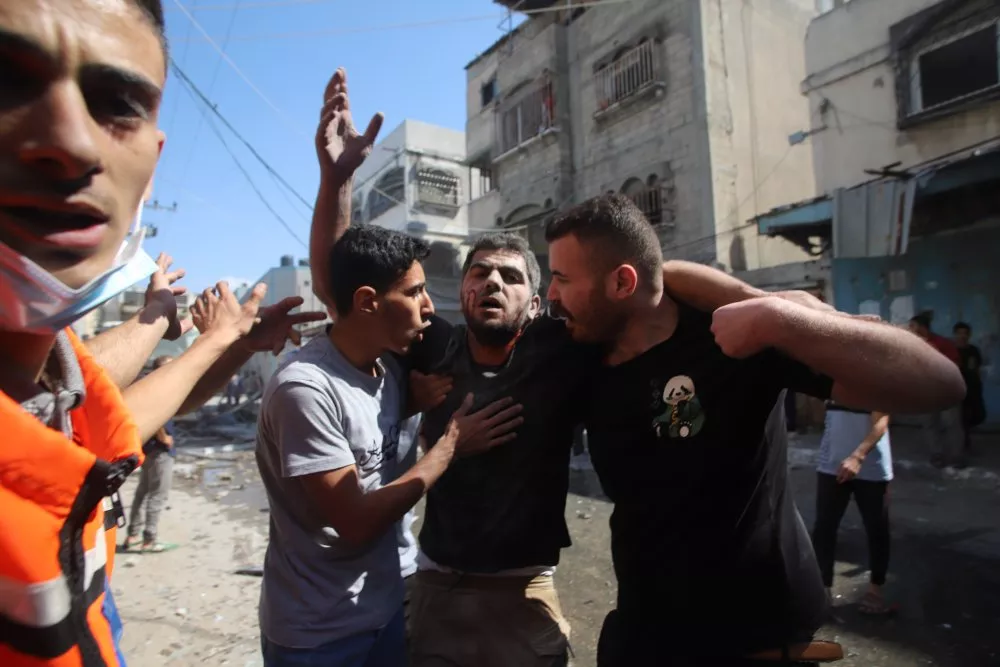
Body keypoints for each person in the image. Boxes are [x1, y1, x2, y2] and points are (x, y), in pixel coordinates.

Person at [542, 194, 966, 666]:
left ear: (623, 281)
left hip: (759, 636)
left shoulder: (738, 335)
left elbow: (941, 384)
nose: (551, 294)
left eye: (562, 278)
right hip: (647, 632)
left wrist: (774, 314)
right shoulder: (578, 350)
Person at [258, 71, 520, 666]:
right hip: (319, 635)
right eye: (416, 292)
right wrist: (449, 446)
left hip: (389, 606)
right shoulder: (305, 389)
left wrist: (339, 177)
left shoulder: (396, 361)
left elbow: (344, 276)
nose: (431, 306)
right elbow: (353, 522)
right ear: (370, 304)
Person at [811, 405, 894, 616]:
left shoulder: (875, 385)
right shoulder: (835, 387)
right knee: (824, 527)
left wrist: (857, 456)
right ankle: (823, 589)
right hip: (832, 464)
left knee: (876, 528)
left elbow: (881, 422)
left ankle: (875, 588)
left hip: (871, 467)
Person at [124, 355, 180, 553]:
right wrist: (163, 437)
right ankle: (150, 538)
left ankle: (133, 535)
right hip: (159, 450)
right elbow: (156, 416)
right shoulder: (160, 390)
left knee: (143, 491)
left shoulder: (148, 387)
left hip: (148, 448)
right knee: (157, 494)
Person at [909, 313, 965, 468]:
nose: (909, 328)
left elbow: (955, 365)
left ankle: (957, 456)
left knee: (952, 424)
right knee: (929, 424)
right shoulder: (912, 345)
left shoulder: (943, 343)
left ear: (922, 327)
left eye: (912, 325)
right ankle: (937, 454)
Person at [953, 321, 986, 451]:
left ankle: (964, 435)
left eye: (965, 333)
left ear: (969, 335)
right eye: (959, 333)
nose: (962, 336)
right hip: (959, 389)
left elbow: (977, 368)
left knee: (979, 415)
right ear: (955, 334)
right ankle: (964, 443)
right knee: (963, 417)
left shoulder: (973, 350)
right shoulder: (951, 349)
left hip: (973, 388)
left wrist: (978, 384)